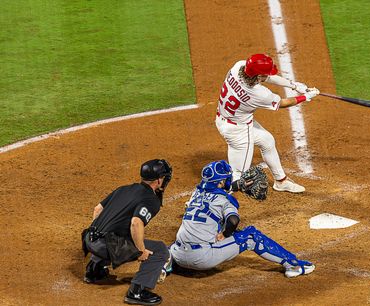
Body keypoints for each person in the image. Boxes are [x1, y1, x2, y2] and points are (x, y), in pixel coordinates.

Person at [167, 160, 315, 278]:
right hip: (202, 259)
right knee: (251, 236)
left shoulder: (196, 193)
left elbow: (214, 194)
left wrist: (237, 186)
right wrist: (224, 235)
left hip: (177, 254)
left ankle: (165, 265)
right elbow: (232, 220)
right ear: (220, 182)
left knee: (202, 227)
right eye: (225, 179)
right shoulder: (225, 201)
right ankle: (294, 265)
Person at [215, 53, 320, 193]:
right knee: (237, 179)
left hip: (227, 118)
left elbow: (267, 77)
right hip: (238, 133)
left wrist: (294, 86)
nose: (266, 76)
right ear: (258, 77)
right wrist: (305, 96)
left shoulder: (238, 67)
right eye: (263, 75)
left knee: (267, 141)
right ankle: (202, 200)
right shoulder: (258, 93)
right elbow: (282, 103)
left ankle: (281, 181)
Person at [82, 159, 173, 305]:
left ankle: (94, 270)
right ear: (158, 180)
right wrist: (141, 250)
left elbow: (98, 209)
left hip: (88, 238)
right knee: (160, 250)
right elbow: (136, 223)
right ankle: (137, 291)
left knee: (116, 232)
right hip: (106, 247)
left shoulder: (124, 188)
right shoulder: (151, 199)